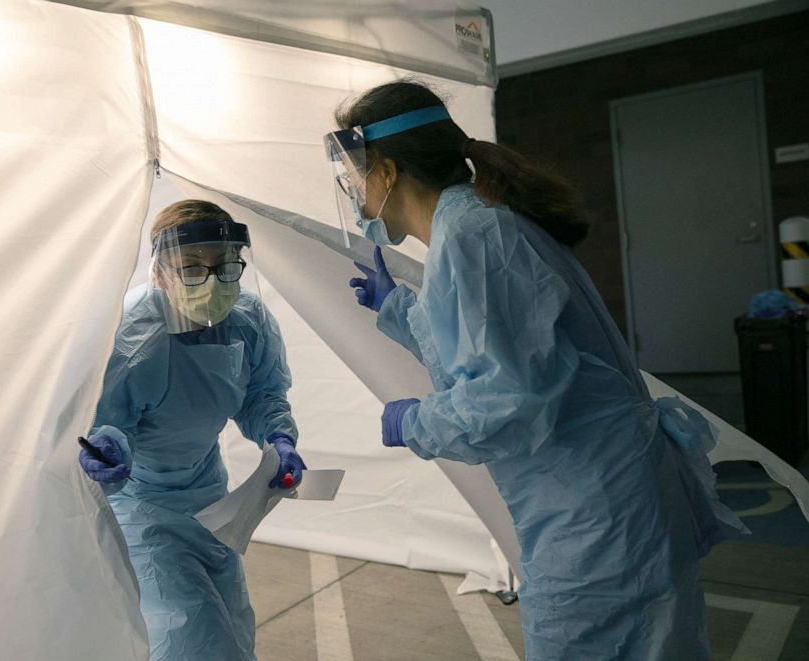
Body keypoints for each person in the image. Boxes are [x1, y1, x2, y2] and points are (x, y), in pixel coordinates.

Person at [326, 80, 744, 660]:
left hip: (594, 510)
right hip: (595, 492)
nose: (352, 188)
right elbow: (493, 347)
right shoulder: (472, 225)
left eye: (354, 171)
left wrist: (417, 423)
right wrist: (399, 310)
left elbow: (511, 397)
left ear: (388, 170)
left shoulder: (475, 237)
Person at [78, 200, 305, 661]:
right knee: (193, 638)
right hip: (145, 512)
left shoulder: (248, 320)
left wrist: (278, 439)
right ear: (159, 271)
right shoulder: (134, 336)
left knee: (235, 630)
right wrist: (108, 449)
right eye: (192, 268)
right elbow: (111, 422)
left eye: (225, 266)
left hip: (212, 501)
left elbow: (262, 394)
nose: (214, 282)